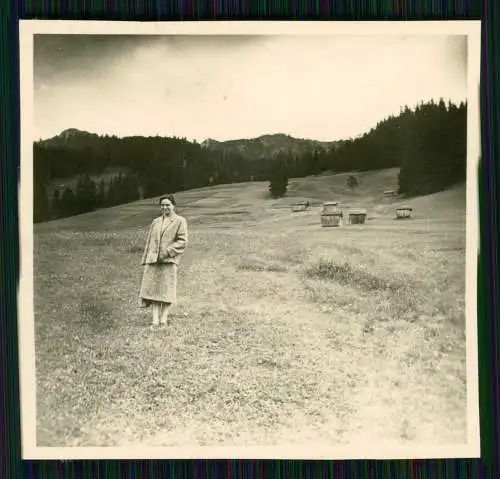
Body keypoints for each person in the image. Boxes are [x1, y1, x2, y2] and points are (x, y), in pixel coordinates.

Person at [139, 194, 188, 328]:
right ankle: (155, 320)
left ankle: (164, 319)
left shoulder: (180, 221)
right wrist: (146, 258)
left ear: (173, 206)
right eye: (162, 205)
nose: (165, 207)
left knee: (167, 291)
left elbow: (182, 241)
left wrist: (167, 252)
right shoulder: (156, 222)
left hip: (168, 261)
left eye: (168, 205)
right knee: (154, 290)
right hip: (153, 261)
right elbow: (149, 242)